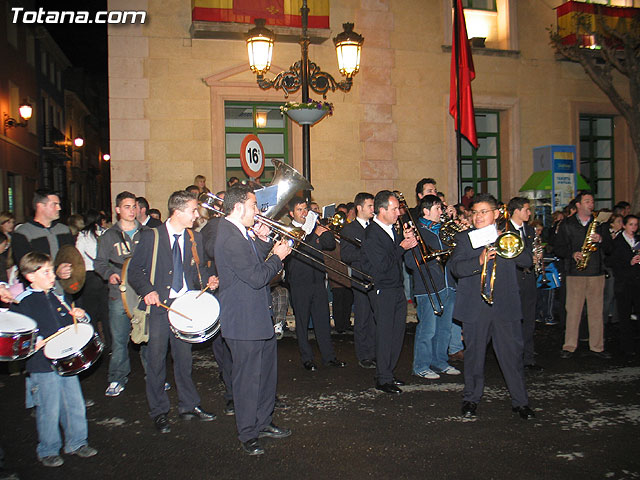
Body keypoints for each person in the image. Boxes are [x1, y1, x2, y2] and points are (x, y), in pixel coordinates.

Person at [128, 190, 218, 434]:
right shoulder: (151, 237)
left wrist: (209, 279)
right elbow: (134, 271)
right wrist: (147, 290)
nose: (197, 215)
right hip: (159, 309)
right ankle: (158, 411)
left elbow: (199, 269)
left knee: (184, 361)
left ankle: (189, 405)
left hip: (184, 309)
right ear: (177, 212)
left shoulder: (194, 238)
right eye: (193, 211)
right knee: (156, 362)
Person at [214, 185, 292, 455]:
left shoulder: (240, 233)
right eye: (254, 206)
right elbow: (257, 276)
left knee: (266, 376)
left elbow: (252, 263)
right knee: (247, 380)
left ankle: (264, 421)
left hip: (258, 316)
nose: (258, 212)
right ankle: (248, 433)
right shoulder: (229, 237)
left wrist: (262, 241)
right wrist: (278, 258)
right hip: (244, 321)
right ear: (238, 208)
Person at [449, 193, 534, 420]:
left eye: (484, 212)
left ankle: (520, 402)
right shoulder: (465, 238)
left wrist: (505, 240)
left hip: (505, 306)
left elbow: (527, 261)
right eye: (475, 212)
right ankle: (471, 399)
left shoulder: (508, 235)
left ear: (496, 214)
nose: (478, 216)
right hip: (476, 307)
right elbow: (456, 268)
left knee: (512, 356)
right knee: (474, 357)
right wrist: (479, 260)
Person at [11, 252, 97, 467]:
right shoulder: (23, 302)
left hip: (65, 358)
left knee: (74, 403)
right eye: (46, 272)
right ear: (31, 276)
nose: (52, 275)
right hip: (41, 364)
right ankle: (48, 449)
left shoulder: (59, 295)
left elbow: (72, 324)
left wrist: (81, 317)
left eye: (51, 270)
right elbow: (17, 334)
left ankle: (77, 442)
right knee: (49, 408)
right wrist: (34, 341)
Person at [361, 191, 418, 394]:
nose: (398, 212)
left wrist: (406, 241)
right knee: (385, 334)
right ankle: (382, 378)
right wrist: (401, 247)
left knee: (397, 333)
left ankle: (389, 371)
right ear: (382, 210)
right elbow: (381, 265)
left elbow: (395, 257)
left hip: (395, 287)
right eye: (393, 209)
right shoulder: (372, 233)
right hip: (382, 289)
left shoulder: (391, 229)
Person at [94, 191, 148, 397]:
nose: (132, 210)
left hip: (143, 294)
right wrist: (110, 275)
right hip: (119, 294)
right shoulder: (109, 236)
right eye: (127, 206)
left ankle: (154, 377)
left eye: (134, 206)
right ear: (117, 210)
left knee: (146, 337)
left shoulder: (146, 234)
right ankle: (117, 378)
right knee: (119, 340)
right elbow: (99, 263)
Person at [285, 198, 345, 371]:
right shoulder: (290, 230)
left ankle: (329, 357)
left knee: (323, 320)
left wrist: (321, 230)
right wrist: (312, 233)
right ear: (291, 213)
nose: (304, 212)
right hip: (299, 282)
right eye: (299, 210)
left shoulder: (315, 225)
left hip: (318, 280)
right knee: (302, 323)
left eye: (305, 209)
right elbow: (298, 251)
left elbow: (330, 244)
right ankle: (307, 358)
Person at [406, 194, 459, 379]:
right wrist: (433, 258)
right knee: (427, 330)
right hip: (427, 287)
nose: (441, 212)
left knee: (444, 328)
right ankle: (421, 365)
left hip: (448, 285)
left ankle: (440, 362)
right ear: (426, 211)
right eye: (438, 208)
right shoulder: (416, 231)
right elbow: (410, 262)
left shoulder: (444, 230)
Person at [554, 192, 610, 359]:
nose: (591, 204)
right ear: (578, 205)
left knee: (596, 311)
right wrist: (572, 254)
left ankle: (597, 346)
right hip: (575, 273)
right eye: (587, 201)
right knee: (573, 311)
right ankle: (569, 346)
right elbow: (558, 248)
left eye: (592, 201)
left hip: (596, 272)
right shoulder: (567, 224)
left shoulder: (600, 223)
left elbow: (610, 248)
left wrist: (600, 240)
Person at [12, 190, 74, 295]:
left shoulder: (64, 230)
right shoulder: (23, 233)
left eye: (59, 204)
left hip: (65, 290)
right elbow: (26, 265)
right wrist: (55, 271)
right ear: (40, 206)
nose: (59, 208)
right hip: (38, 294)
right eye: (55, 204)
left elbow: (73, 257)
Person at [506, 197, 543, 372]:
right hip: (513, 279)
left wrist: (536, 257)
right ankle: (513, 359)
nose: (529, 213)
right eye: (526, 210)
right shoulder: (504, 230)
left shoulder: (529, 230)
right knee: (512, 321)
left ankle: (528, 358)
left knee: (529, 320)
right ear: (516, 211)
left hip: (528, 279)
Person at [340, 192, 376, 369]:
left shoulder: (375, 226)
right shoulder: (349, 229)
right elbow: (346, 255)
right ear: (359, 208)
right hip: (360, 278)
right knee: (362, 318)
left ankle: (375, 351)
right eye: (370, 206)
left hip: (376, 277)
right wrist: (367, 251)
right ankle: (364, 355)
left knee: (375, 318)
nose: (373, 209)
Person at [75, 210, 110, 348]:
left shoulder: (83, 235)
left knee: (91, 313)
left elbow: (77, 256)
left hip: (89, 276)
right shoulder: (106, 233)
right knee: (106, 312)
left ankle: (95, 343)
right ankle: (110, 343)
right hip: (104, 275)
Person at [609, 215, 640, 356]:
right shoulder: (617, 242)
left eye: (635, 225)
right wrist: (629, 262)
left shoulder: (638, 240)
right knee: (624, 314)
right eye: (631, 224)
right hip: (624, 283)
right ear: (624, 226)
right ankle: (626, 345)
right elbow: (613, 262)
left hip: (637, 281)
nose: (634, 227)